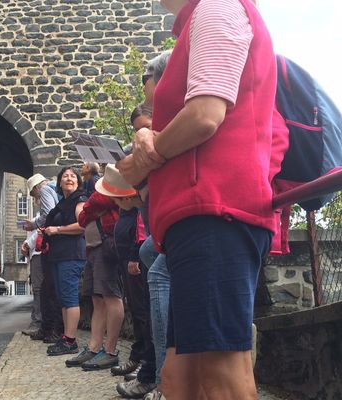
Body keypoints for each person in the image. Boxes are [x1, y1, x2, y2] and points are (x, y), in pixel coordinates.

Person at [117, 0, 279, 398]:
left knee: (218, 370)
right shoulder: (200, 18)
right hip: (198, 214)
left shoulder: (217, 7)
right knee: (181, 374)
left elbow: (205, 114)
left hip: (215, 209)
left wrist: (143, 162)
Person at [117, 52, 173, 400]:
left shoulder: (173, 122)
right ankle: (157, 372)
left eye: (146, 79)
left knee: (154, 263)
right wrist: (137, 195)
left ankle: (161, 376)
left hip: (184, 228)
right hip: (164, 231)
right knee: (151, 254)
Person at [65, 175, 121, 370]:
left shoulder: (113, 180)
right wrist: (91, 210)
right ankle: (94, 347)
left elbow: (101, 200)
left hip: (106, 244)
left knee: (111, 296)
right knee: (97, 298)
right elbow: (82, 218)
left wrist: (90, 208)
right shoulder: (103, 183)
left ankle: (111, 350)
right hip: (94, 247)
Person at [42, 166, 87, 356]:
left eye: (73, 176)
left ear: (78, 181)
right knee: (63, 298)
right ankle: (66, 337)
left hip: (72, 254)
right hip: (59, 255)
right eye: (65, 176)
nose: (69, 179)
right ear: (59, 182)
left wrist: (57, 230)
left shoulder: (80, 200)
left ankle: (70, 340)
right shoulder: (63, 203)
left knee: (69, 297)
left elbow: (82, 225)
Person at [23, 173, 63, 343]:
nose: (35, 197)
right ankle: (48, 327)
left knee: (46, 289)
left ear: (36, 188)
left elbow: (47, 217)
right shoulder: (54, 190)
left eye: (33, 194)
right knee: (48, 288)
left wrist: (33, 225)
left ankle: (48, 327)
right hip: (52, 245)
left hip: (48, 246)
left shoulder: (46, 190)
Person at [20, 211, 43, 336]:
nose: (35, 200)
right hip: (35, 254)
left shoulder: (43, 214)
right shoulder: (38, 215)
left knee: (38, 289)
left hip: (39, 253)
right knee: (38, 289)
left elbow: (40, 230)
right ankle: (38, 322)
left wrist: (26, 244)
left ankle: (38, 323)